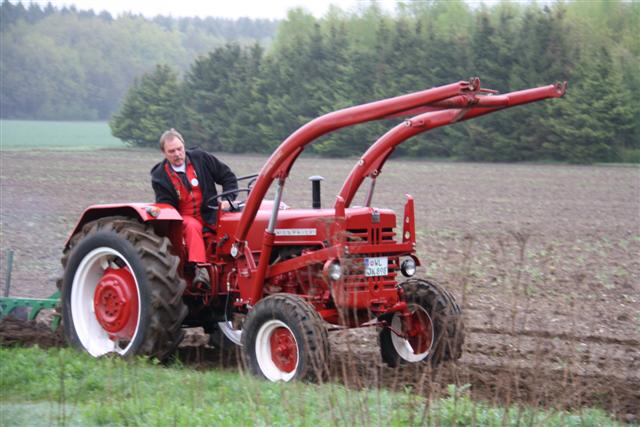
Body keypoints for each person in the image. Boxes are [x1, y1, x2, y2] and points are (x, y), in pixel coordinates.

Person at [151, 129, 237, 287]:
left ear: (184, 146)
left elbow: (228, 177)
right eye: (172, 151)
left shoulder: (201, 158)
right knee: (192, 226)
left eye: (179, 149)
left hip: (210, 213)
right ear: (164, 152)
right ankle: (201, 269)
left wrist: (227, 200)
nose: (177, 154)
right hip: (182, 218)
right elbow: (166, 205)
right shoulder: (160, 176)